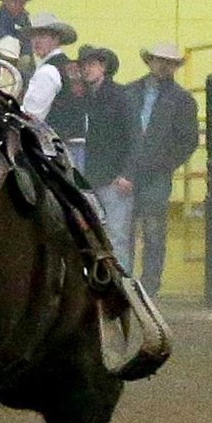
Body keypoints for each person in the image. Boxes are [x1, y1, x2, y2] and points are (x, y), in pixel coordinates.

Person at [122, 42, 200, 294]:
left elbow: (188, 141)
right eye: (160, 60)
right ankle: (126, 281)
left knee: (152, 230)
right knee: (123, 229)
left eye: (170, 62)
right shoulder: (129, 92)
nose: (164, 65)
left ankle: (149, 286)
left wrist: (164, 164)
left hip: (155, 173)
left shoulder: (183, 100)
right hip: (128, 171)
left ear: (175, 66)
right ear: (150, 61)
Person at [52, 45, 136, 265]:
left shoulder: (120, 97)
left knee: (116, 238)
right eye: (83, 65)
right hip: (94, 179)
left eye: (91, 64)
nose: (86, 69)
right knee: (104, 238)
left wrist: (127, 174)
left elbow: (135, 139)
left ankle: (121, 287)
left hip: (113, 180)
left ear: (103, 67)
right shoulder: (88, 98)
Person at [18, 13, 77, 122]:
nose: (36, 41)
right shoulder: (69, 66)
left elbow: (32, 113)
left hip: (56, 136)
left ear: (56, 39)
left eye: (42, 36)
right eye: (33, 36)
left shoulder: (48, 71)